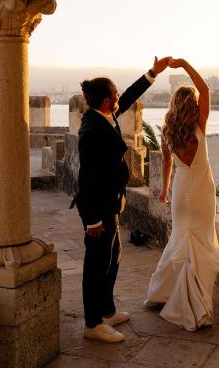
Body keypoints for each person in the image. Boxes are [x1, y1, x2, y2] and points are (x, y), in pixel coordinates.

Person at [74, 56, 170, 343]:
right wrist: (91, 220)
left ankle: (106, 310)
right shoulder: (91, 130)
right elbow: (86, 178)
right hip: (98, 209)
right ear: (105, 100)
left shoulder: (104, 115)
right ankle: (92, 324)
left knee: (112, 257)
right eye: (114, 94)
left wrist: (152, 73)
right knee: (96, 265)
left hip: (112, 204)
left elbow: (128, 97)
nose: (118, 97)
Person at [145, 58, 219, 331]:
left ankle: (162, 293)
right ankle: (197, 301)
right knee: (201, 243)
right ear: (193, 104)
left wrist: (165, 191)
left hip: (181, 191)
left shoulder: (168, 131)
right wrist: (184, 64)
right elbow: (207, 90)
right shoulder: (200, 125)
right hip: (203, 190)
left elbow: (167, 164)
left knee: (179, 240)